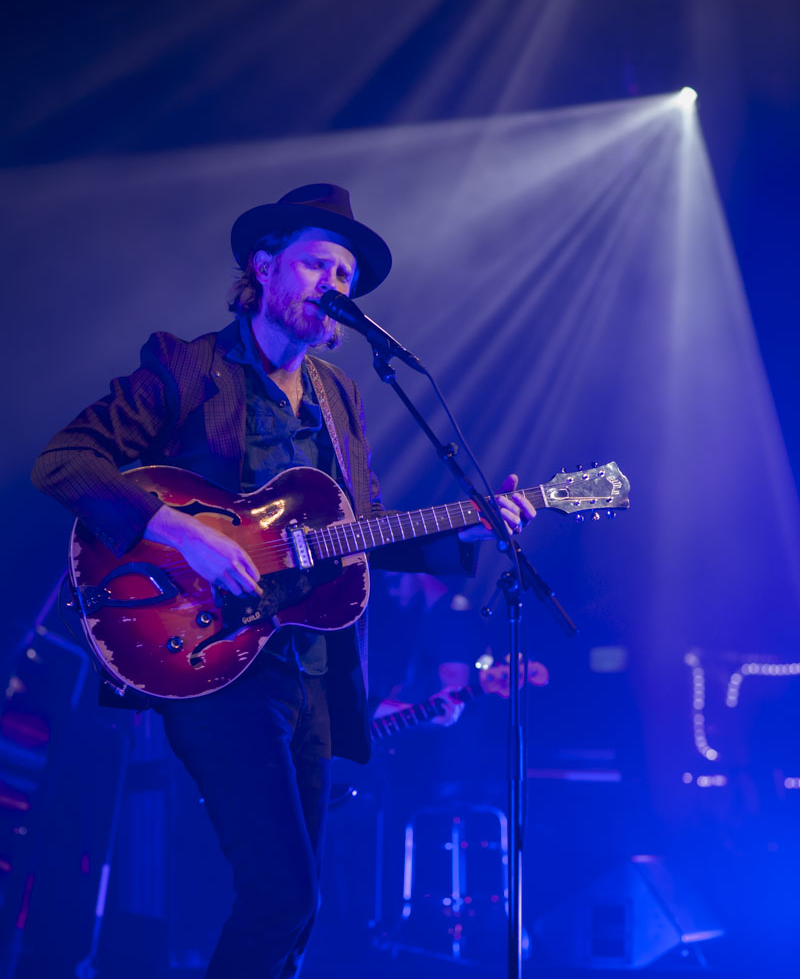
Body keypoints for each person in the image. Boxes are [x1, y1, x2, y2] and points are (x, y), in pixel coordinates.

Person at [32, 183, 535, 978]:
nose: (334, 285)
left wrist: (467, 529)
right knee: (282, 894)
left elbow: (362, 528)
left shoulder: (340, 396)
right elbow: (65, 462)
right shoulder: (188, 365)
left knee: (299, 916)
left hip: (311, 670)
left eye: (345, 275)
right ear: (263, 267)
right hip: (204, 653)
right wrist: (184, 534)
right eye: (316, 264)